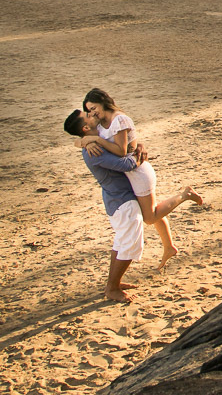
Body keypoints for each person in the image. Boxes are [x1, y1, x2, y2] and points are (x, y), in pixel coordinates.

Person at [76, 88, 202, 270]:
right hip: (129, 173)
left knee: (149, 217)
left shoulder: (119, 119)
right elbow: (124, 143)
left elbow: (120, 151)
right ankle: (168, 247)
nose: (93, 113)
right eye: (89, 111)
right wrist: (83, 141)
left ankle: (185, 195)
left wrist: (95, 140)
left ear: (103, 102)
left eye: (94, 107)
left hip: (138, 171)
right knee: (151, 210)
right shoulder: (103, 123)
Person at [64, 108, 146, 303]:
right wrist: (138, 153)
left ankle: (114, 282)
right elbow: (126, 164)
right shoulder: (94, 150)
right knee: (129, 243)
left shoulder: (96, 138)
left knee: (122, 242)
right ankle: (112, 288)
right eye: (89, 116)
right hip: (121, 200)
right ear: (85, 127)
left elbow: (120, 141)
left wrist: (135, 145)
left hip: (118, 198)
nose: (93, 115)